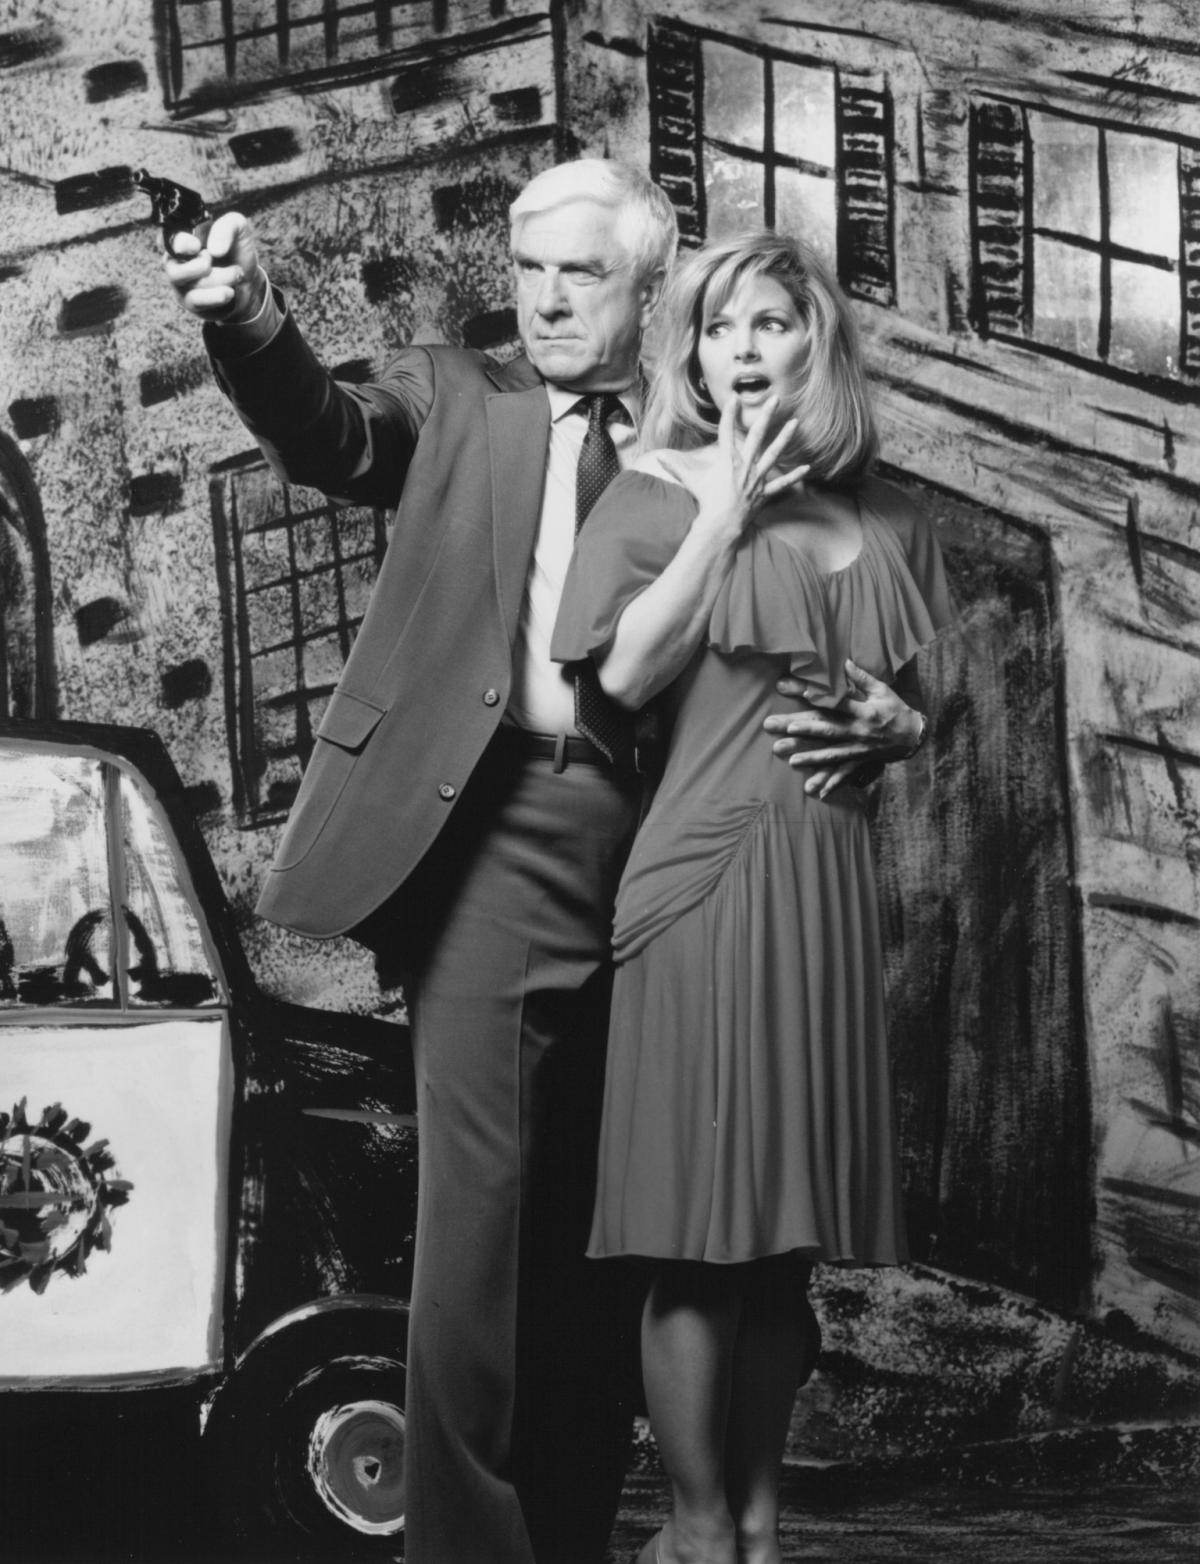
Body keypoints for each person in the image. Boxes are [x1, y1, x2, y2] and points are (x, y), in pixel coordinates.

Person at [163, 167, 924, 1564]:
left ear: (653, 287)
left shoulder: (708, 426)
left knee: (627, 1226)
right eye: (530, 269)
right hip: (503, 822)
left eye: (584, 273)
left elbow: (814, 639)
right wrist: (248, 317)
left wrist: (890, 722)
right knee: (486, 1222)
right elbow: (329, 430)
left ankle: (581, 1535)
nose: (548, 299)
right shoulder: (461, 396)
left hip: (685, 845)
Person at [551, 230, 954, 1564]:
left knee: (785, 1253)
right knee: (698, 1245)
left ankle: (763, 1531)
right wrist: (727, 508)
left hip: (824, 896)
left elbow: (913, 705)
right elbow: (623, 679)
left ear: (814, 342)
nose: (741, 349)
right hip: (705, 885)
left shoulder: (887, 517)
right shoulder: (654, 495)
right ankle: (695, 1527)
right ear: (691, 352)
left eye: (769, 322)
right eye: (718, 327)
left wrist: (904, 727)